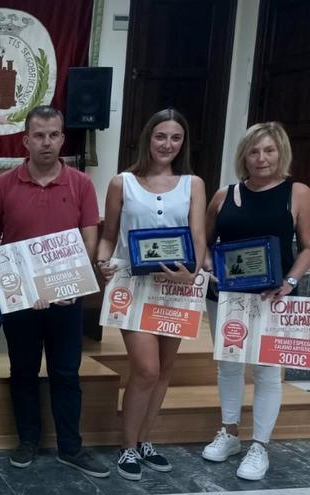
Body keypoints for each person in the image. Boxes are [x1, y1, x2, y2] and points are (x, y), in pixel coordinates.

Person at [0, 105, 109, 478]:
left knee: (66, 373)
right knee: (22, 370)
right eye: (39, 135)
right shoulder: (4, 185)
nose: (47, 142)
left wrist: (69, 283)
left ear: (62, 138)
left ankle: (71, 447)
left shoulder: (81, 185)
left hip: (67, 298)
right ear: (25, 140)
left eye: (54, 134)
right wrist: (16, 287)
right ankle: (27, 440)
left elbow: (89, 240)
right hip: (22, 301)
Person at [96, 108, 206, 481]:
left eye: (176, 138)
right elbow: (108, 236)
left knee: (165, 371)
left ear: (183, 142)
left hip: (177, 287)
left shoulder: (193, 183)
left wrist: (194, 271)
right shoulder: (121, 182)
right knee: (146, 369)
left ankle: (145, 441)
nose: (168, 144)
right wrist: (102, 260)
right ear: (148, 138)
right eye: (161, 136)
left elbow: (198, 240)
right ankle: (127, 448)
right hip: (132, 285)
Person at [200, 122, 310, 481]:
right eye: (253, 151)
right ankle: (229, 433)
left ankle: (259, 445)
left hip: (273, 298)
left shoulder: (298, 192)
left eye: (269, 150)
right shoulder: (224, 194)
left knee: (267, 372)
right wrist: (208, 269)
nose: (261, 158)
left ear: (281, 153)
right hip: (226, 296)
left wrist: (291, 281)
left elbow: (308, 247)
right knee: (229, 365)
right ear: (243, 155)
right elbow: (204, 245)